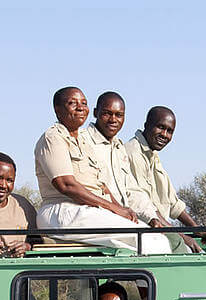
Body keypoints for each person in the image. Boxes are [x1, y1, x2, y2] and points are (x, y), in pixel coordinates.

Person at [34, 87, 172, 254]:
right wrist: (114, 209)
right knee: (151, 242)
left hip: (88, 210)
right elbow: (66, 185)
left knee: (157, 238)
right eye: (72, 103)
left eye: (83, 103)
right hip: (63, 209)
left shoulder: (82, 141)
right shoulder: (54, 137)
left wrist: (122, 209)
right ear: (57, 109)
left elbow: (101, 186)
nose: (80, 108)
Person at [84, 93, 198, 253]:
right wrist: (173, 231)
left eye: (169, 131)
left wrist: (195, 228)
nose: (113, 119)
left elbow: (159, 200)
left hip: (139, 219)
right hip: (111, 218)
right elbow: (94, 189)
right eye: (107, 113)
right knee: (173, 246)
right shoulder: (127, 151)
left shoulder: (124, 149)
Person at [125, 106, 206, 248]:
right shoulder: (133, 153)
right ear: (147, 125)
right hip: (146, 227)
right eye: (160, 127)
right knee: (184, 249)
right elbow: (145, 207)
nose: (164, 134)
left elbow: (173, 203)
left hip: (162, 228)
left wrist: (196, 229)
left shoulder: (152, 154)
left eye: (169, 131)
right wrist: (181, 237)